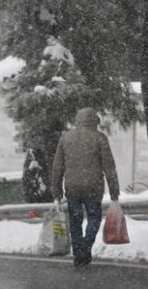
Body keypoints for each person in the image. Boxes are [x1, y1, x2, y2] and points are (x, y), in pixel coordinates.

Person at [50, 107, 120, 267]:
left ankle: (78, 254)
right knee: (94, 218)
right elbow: (109, 167)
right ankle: (86, 246)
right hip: (93, 187)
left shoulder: (65, 138)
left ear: (77, 120)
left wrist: (56, 190)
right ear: (95, 121)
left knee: (75, 221)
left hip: (72, 187)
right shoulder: (100, 138)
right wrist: (114, 191)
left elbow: (57, 167)